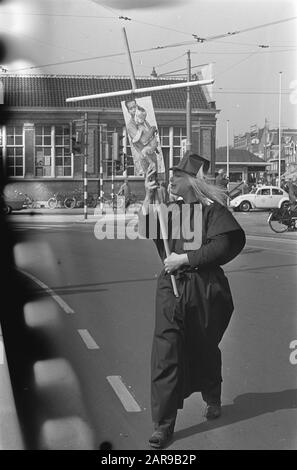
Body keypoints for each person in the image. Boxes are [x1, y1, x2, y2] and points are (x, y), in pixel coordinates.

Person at [138, 152, 246, 449]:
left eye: (176, 175)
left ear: (192, 181)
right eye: (170, 175)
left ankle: (212, 396)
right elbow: (148, 229)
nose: (169, 179)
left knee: (203, 347)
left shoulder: (212, 210)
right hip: (170, 290)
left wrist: (184, 258)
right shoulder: (171, 209)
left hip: (204, 289)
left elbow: (224, 245)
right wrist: (149, 195)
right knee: (166, 353)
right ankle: (163, 424)